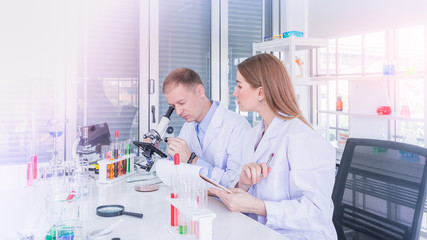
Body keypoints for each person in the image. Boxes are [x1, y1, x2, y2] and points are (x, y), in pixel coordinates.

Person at [209, 53, 337, 239]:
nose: (235, 93)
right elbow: (249, 193)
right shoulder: (253, 134)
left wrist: (258, 206)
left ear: (260, 92)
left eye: (239, 85)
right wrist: (243, 183)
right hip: (261, 231)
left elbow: (318, 212)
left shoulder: (303, 138)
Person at [163, 68, 251, 188]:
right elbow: (177, 168)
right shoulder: (188, 126)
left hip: (223, 205)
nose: (178, 111)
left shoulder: (237, 126)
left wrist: (192, 160)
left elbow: (235, 184)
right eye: (173, 106)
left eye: (182, 103)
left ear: (200, 91)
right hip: (198, 201)